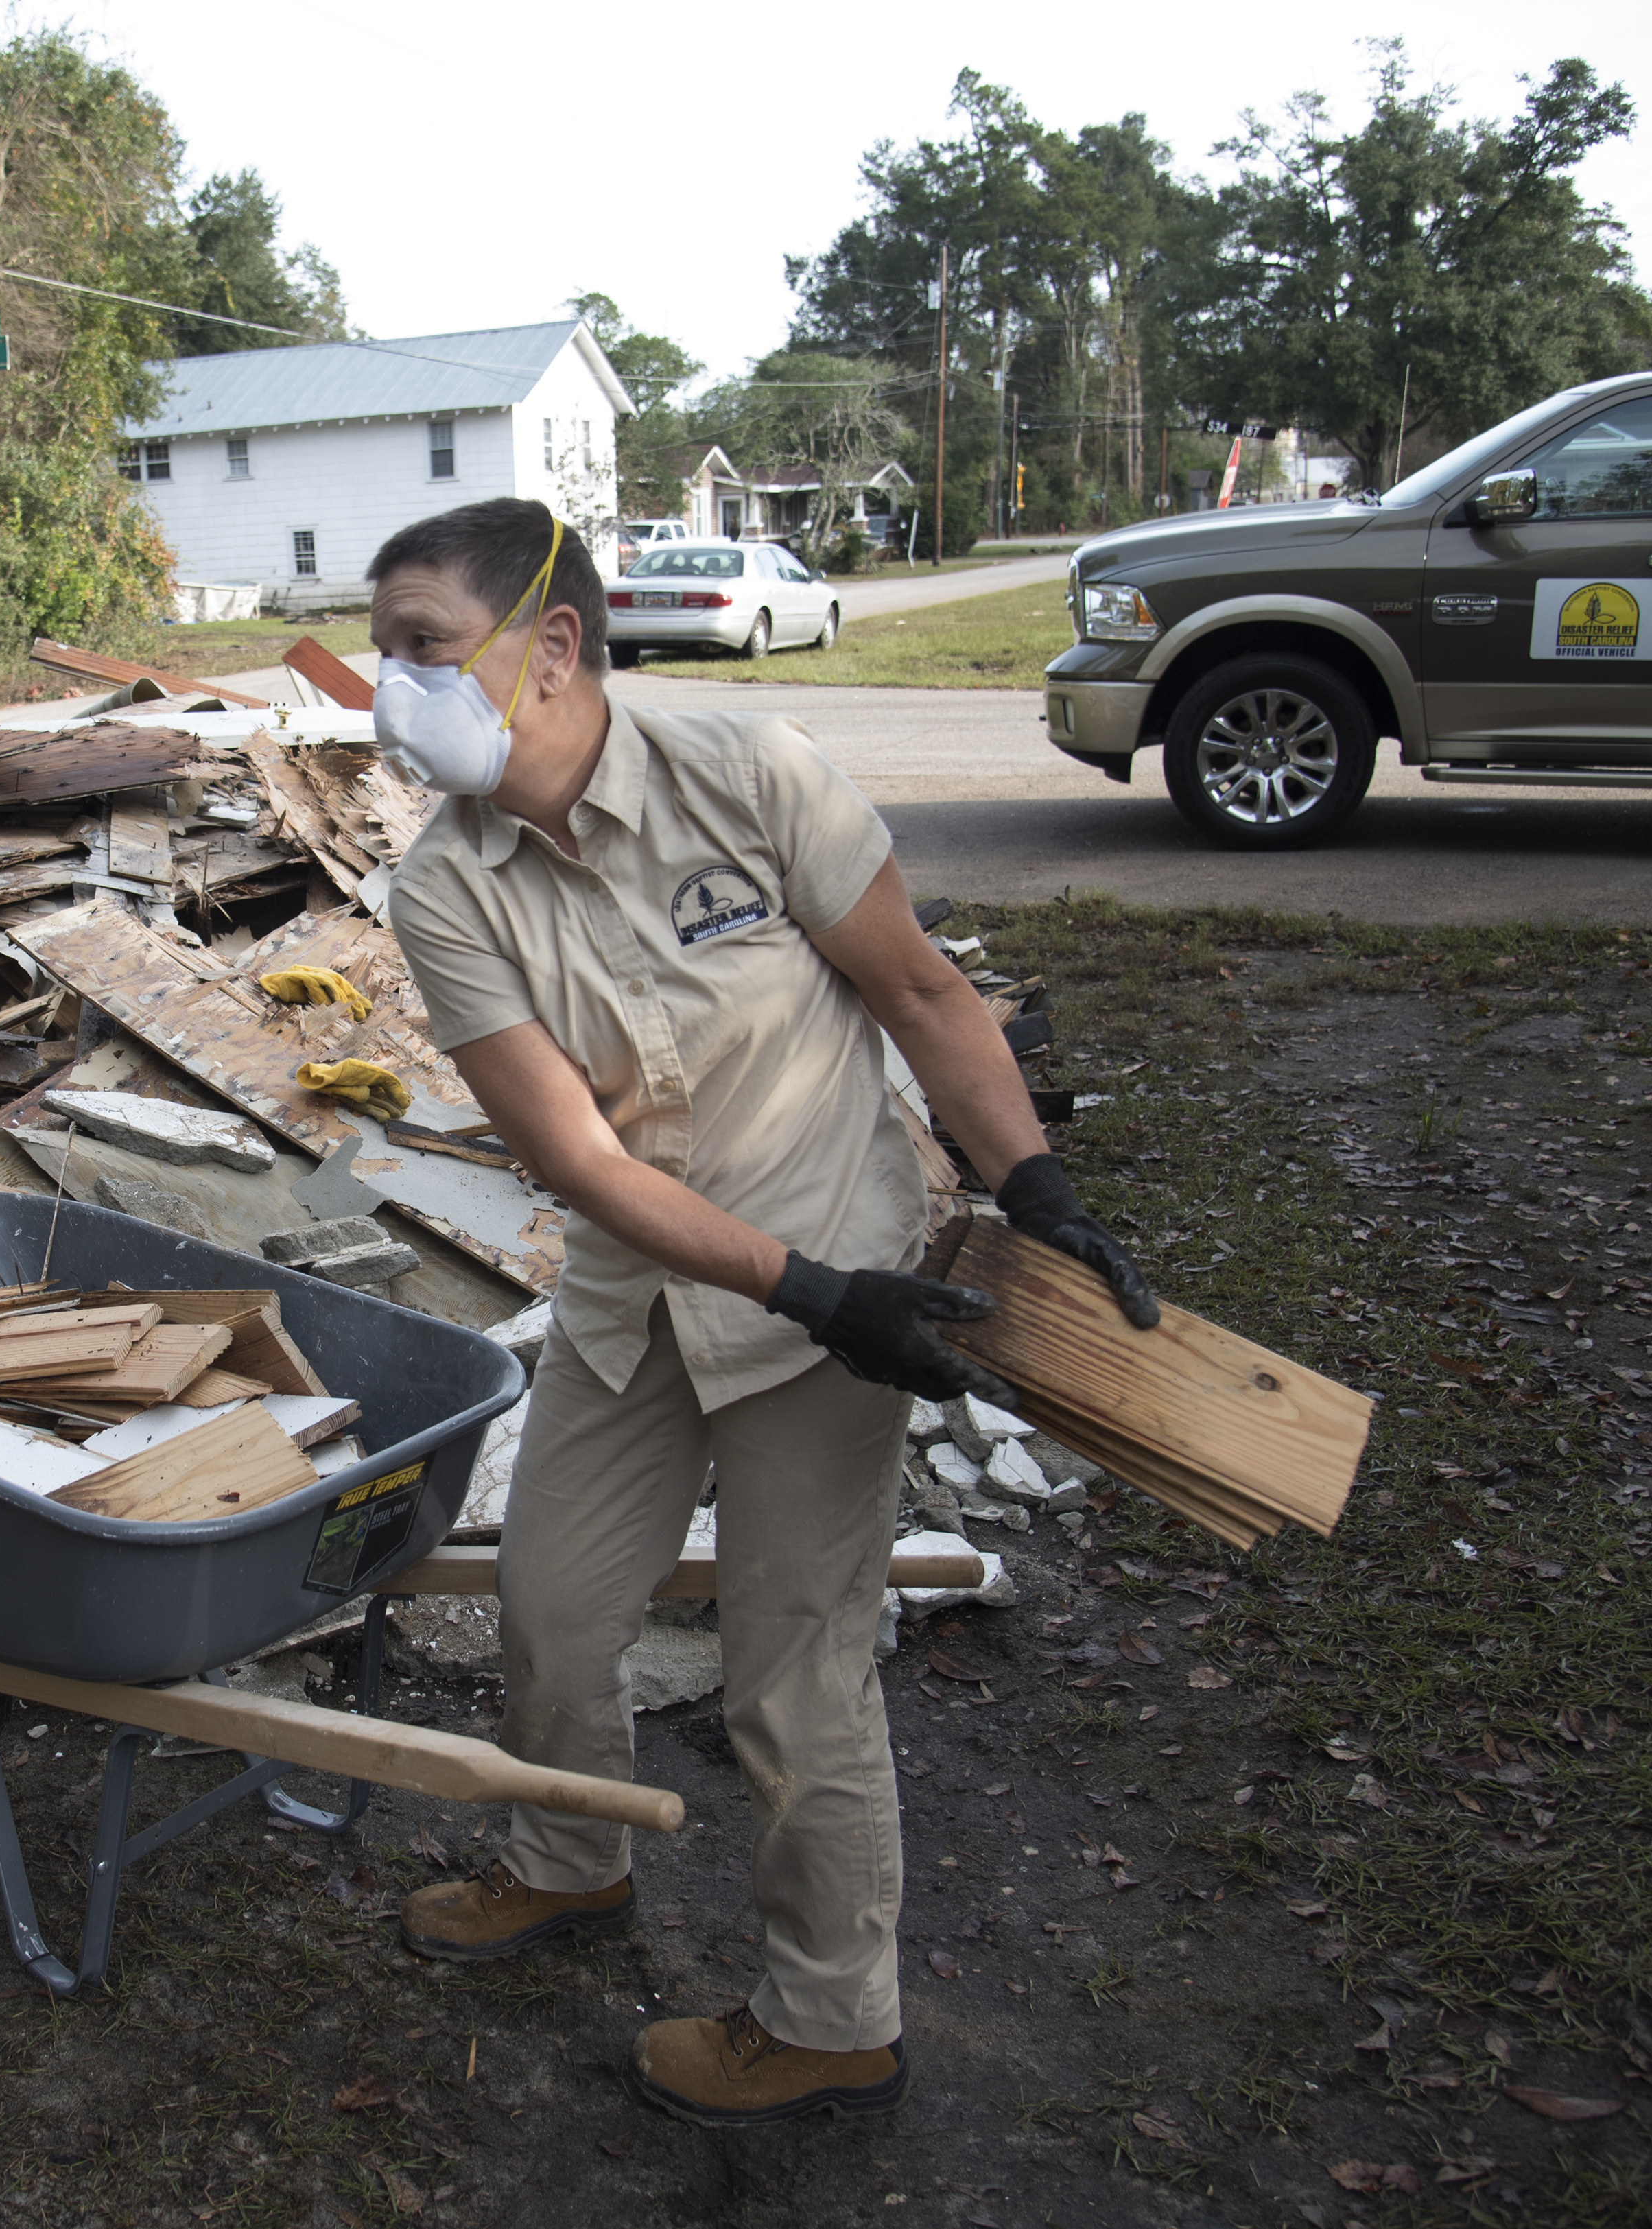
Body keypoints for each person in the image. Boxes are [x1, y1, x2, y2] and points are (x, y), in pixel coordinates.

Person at [368, 497, 1158, 2127]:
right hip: (664, 1288)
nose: (392, 691)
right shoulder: (445, 888)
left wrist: (1034, 1188)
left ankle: (828, 2019)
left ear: (555, 645)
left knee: (792, 1676)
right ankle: (570, 1856)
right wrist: (808, 1290)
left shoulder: (752, 772)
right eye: (385, 654)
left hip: (842, 1272)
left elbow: (921, 992)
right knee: (554, 1600)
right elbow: (575, 1155)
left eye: (423, 649)